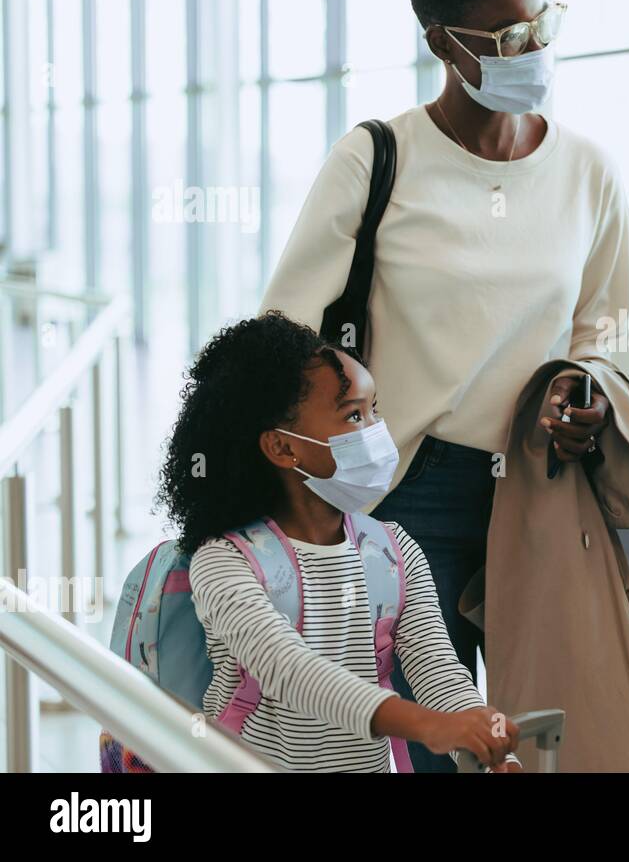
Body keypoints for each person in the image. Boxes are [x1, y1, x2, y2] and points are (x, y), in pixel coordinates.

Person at [259, 0, 629, 770]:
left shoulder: (589, 173)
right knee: (433, 750)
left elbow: (602, 329)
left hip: (543, 487)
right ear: (442, 42)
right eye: (504, 36)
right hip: (410, 491)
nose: (531, 48)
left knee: (548, 738)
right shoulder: (378, 158)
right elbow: (282, 330)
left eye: (540, 24)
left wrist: (594, 394)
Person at [156, 312, 521, 772]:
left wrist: (483, 741)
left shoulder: (394, 552)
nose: (375, 430)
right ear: (283, 448)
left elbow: (440, 675)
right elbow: (290, 672)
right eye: (353, 414)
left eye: (374, 410)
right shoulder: (226, 562)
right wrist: (428, 725)